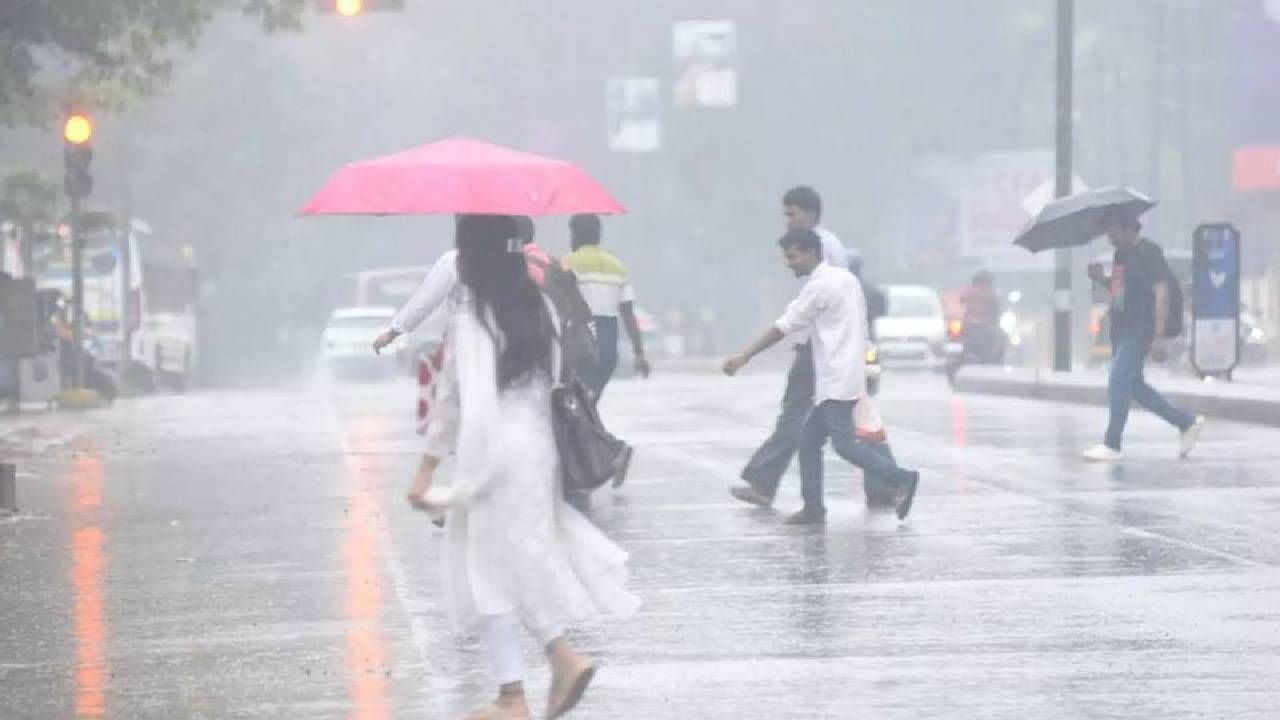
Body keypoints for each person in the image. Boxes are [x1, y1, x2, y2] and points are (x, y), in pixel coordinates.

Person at [405, 215, 639, 720]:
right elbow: (557, 375)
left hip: (494, 446)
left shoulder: (472, 316)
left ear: (472, 256)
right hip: (537, 445)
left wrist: (426, 470)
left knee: (487, 563)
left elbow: (450, 397)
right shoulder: (540, 307)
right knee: (514, 557)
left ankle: (521, 688)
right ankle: (548, 666)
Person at [724, 228, 921, 524]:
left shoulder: (819, 287)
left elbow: (784, 327)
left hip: (835, 377)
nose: (789, 264)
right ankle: (813, 508)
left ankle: (900, 478)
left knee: (844, 444)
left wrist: (744, 356)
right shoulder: (846, 279)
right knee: (808, 438)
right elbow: (861, 326)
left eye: (792, 257)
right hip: (847, 372)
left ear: (810, 253)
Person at [733, 186, 849, 505]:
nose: (787, 221)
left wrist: (746, 355)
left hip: (818, 344)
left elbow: (813, 305)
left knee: (799, 415)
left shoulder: (821, 246)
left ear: (810, 214)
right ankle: (887, 483)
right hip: (821, 341)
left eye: (792, 214)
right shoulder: (826, 243)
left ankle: (764, 482)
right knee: (839, 421)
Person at [1082, 211, 1205, 462]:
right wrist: (1100, 279)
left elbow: (1161, 293)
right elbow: (1118, 291)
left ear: (1129, 229)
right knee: (1134, 386)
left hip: (1140, 328)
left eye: (1114, 232)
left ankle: (1112, 443)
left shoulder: (1151, 252)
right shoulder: (1121, 254)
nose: (1110, 238)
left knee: (1117, 379)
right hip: (1121, 326)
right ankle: (1186, 422)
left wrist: (1159, 337)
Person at [562, 214, 650, 399]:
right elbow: (628, 315)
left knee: (578, 399)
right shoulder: (617, 267)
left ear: (576, 236)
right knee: (590, 399)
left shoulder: (567, 263)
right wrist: (639, 354)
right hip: (608, 347)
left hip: (578, 343)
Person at [945, 269, 1007, 383]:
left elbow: (954, 308)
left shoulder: (967, 292)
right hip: (976, 328)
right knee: (1001, 338)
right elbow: (997, 313)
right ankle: (992, 362)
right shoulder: (990, 295)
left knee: (1000, 337)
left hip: (972, 327)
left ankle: (991, 361)